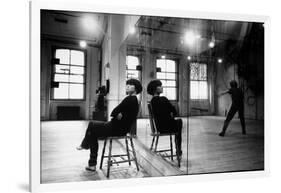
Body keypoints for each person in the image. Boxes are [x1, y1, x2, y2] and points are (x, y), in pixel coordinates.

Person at [77, 79, 143, 171]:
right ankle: (89, 157)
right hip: (119, 127)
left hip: (117, 128)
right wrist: (119, 114)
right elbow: (116, 113)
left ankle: (87, 150)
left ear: (136, 88)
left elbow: (114, 112)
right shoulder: (133, 99)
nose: (127, 86)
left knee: (92, 126)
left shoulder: (130, 99)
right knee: (92, 131)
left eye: (130, 85)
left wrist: (119, 114)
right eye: (127, 85)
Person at [147, 79, 182, 158]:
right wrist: (171, 113)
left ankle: (178, 149)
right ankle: (178, 149)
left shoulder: (152, 101)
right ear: (155, 88)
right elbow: (174, 112)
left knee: (177, 122)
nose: (162, 87)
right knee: (179, 122)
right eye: (159, 86)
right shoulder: (163, 99)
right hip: (166, 127)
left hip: (158, 127)